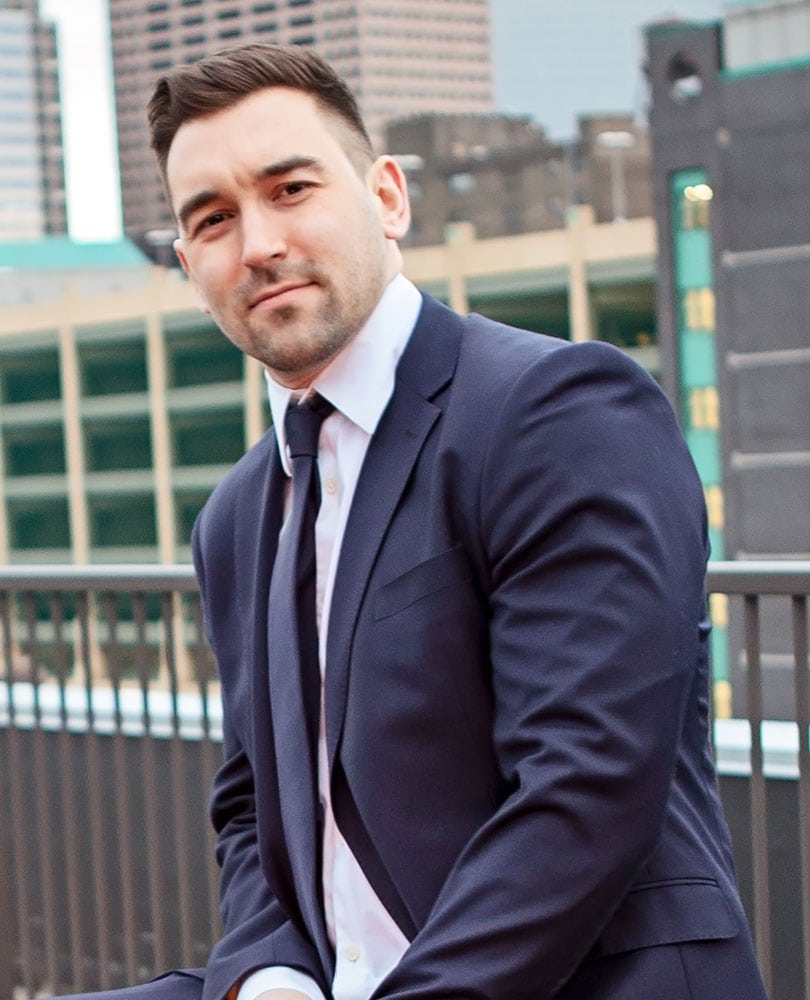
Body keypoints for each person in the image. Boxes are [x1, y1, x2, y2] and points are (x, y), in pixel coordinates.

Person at [135, 42, 766, 1000]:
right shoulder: (235, 518)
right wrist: (267, 978)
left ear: (388, 197)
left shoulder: (557, 409)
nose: (256, 243)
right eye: (214, 219)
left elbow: (585, 788)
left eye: (291, 189)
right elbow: (251, 805)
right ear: (190, 263)